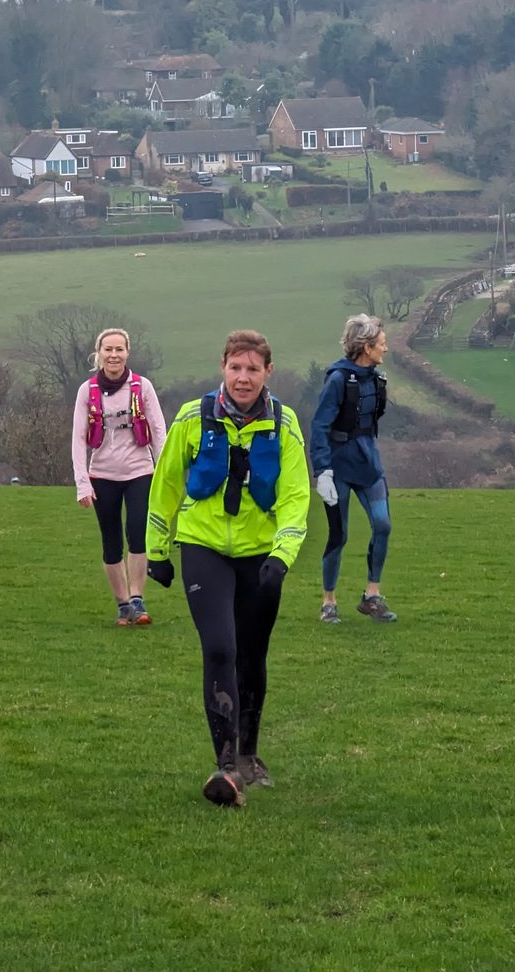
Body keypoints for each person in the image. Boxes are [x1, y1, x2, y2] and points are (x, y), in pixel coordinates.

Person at [146, 330, 309, 807]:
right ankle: (225, 764)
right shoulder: (193, 418)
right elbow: (167, 482)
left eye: (252, 370)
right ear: (223, 368)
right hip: (203, 547)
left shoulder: (284, 424)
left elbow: (296, 497)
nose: (243, 378)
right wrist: (157, 550)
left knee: (252, 657)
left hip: (261, 555)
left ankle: (250, 757)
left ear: (267, 374)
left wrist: (282, 556)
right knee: (220, 649)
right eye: (235, 368)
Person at [72, 328, 168, 626]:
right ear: (98, 354)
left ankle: (138, 598)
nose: (114, 355)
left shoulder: (143, 387)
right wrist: (82, 483)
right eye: (108, 350)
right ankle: (123, 603)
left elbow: (159, 431)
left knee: (138, 532)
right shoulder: (87, 391)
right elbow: (77, 438)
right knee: (111, 541)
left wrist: (165, 475)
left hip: (140, 470)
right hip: (102, 474)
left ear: (128, 353)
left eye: (119, 350)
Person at [309, 314, 396, 624]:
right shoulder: (337, 381)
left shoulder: (377, 379)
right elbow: (319, 426)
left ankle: (372, 595)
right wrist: (323, 471)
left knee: (383, 525)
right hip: (338, 467)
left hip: (369, 465)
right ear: (366, 347)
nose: (386, 349)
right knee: (339, 534)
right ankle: (328, 601)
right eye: (382, 344)